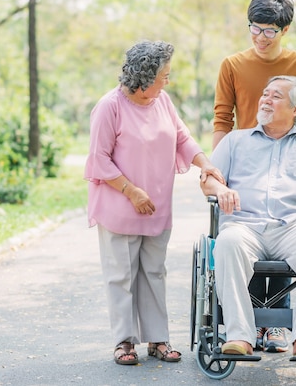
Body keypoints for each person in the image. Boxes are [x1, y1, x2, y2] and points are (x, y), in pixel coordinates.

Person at [84, 40, 224, 366]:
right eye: (164, 75)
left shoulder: (162, 101)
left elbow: (182, 137)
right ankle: (124, 342)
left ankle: (158, 339)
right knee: (121, 275)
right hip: (120, 206)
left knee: (154, 272)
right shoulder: (110, 106)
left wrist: (205, 163)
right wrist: (131, 191)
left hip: (157, 205)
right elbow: (98, 160)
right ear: (145, 77)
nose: (167, 81)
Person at [212, 0, 296, 353]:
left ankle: (283, 330)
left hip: (286, 154)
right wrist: (217, 173)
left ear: (284, 30)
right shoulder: (232, 64)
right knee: (240, 239)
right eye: (253, 28)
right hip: (244, 157)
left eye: (268, 30)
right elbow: (221, 118)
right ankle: (245, 332)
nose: (259, 36)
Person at [201, 75, 296, 357]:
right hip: (243, 226)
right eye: (265, 94)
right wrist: (220, 188)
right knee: (227, 243)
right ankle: (240, 337)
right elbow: (207, 181)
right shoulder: (235, 141)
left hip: (291, 228)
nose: (266, 100)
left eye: (276, 96)